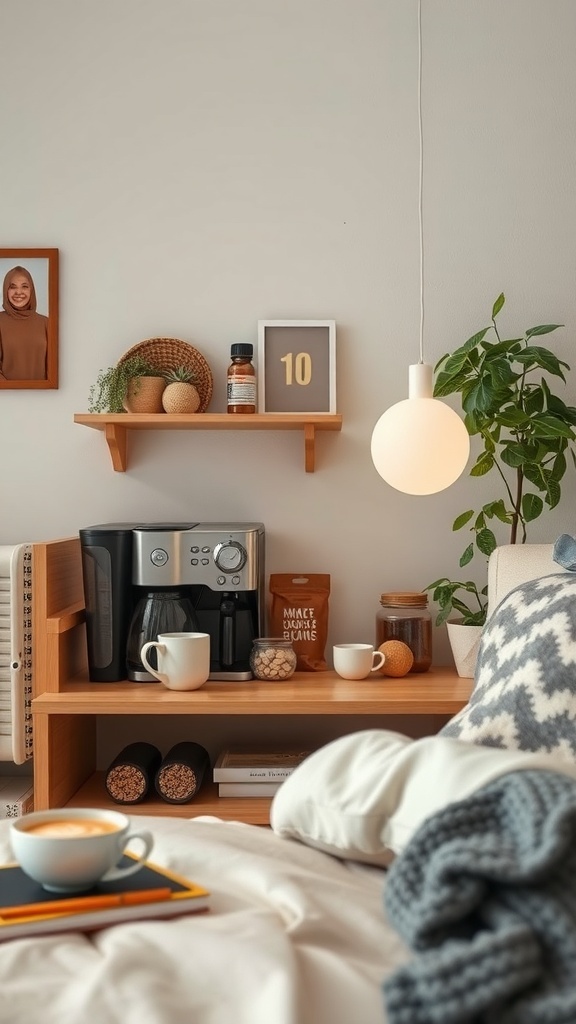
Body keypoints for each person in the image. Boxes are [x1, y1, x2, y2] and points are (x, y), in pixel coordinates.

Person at [0, 265, 48, 380]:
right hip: (6, 395)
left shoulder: (46, 323)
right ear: (6, 290)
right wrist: (17, 393)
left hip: (44, 396)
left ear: (31, 290)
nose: (19, 292)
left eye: (24, 286)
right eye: (13, 287)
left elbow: (53, 368)